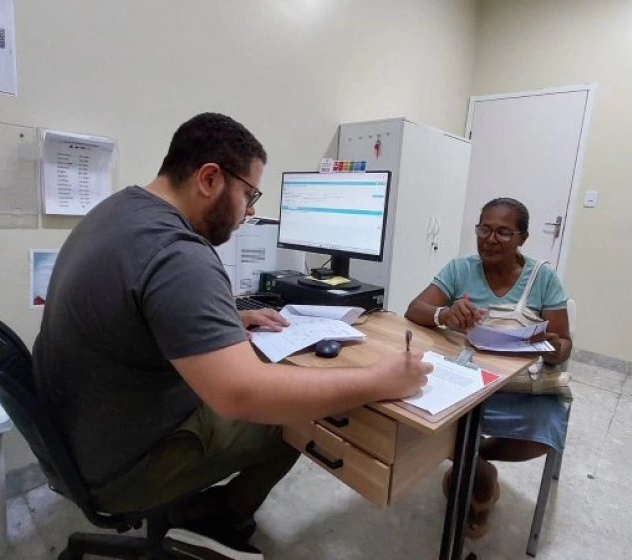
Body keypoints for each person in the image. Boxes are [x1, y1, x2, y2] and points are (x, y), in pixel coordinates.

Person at [34, 112, 433, 559]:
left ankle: (206, 508)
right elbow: (242, 395)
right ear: (209, 178)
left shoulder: (120, 210)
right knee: (295, 419)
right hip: (124, 464)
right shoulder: (177, 253)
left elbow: (134, 309)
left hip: (80, 435)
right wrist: (380, 380)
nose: (252, 210)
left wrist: (222, 321)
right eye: (249, 193)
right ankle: (221, 517)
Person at [405, 197, 572, 539]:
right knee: (427, 421)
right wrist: (444, 314)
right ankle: (480, 480)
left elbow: (564, 343)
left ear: (522, 238)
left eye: (504, 232)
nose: (491, 239)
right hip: (470, 382)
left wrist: (554, 349)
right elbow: (414, 309)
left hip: (523, 387)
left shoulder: (543, 278)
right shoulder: (460, 268)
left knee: (542, 434)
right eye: (485, 229)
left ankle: (472, 461)